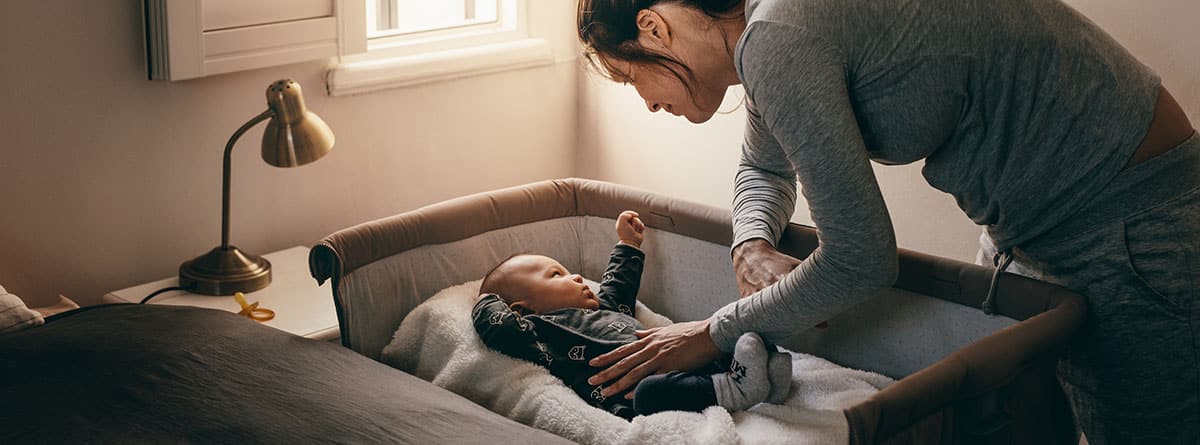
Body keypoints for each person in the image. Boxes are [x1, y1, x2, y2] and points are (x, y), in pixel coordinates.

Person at [575, 0, 1198, 442]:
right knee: (1017, 423)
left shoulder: (779, 35)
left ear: (653, 26)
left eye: (633, 77)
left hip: (1127, 221)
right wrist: (752, 242)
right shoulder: (764, 34)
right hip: (1036, 227)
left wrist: (712, 330)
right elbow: (761, 171)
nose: (649, 102)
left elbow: (862, 258)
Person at [472, 210, 792, 420]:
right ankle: (734, 389)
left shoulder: (604, 308)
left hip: (674, 357)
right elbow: (497, 327)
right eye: (557, 275)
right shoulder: (539, 333)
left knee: (718, 341)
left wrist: (627, 243)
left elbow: (618, 288)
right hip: (634, 394)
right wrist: (485, 299)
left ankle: (761, 380)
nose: (577, 278)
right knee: (652, 393)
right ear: (522, 309)